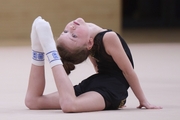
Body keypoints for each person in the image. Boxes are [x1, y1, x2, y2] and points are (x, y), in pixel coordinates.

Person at [25, 16, 162, 113]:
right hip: (103, 86)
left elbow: (122, 70)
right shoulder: (98, 40)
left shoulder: (99, 37)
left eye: (67, 32)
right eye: (73, 36)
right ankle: (41, 50)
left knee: (69, 104)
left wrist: (141, 100)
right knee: (33, 101)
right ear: (89, 44)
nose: (71, 28)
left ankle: (49, 50)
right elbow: (115, 70)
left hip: (110, 88)